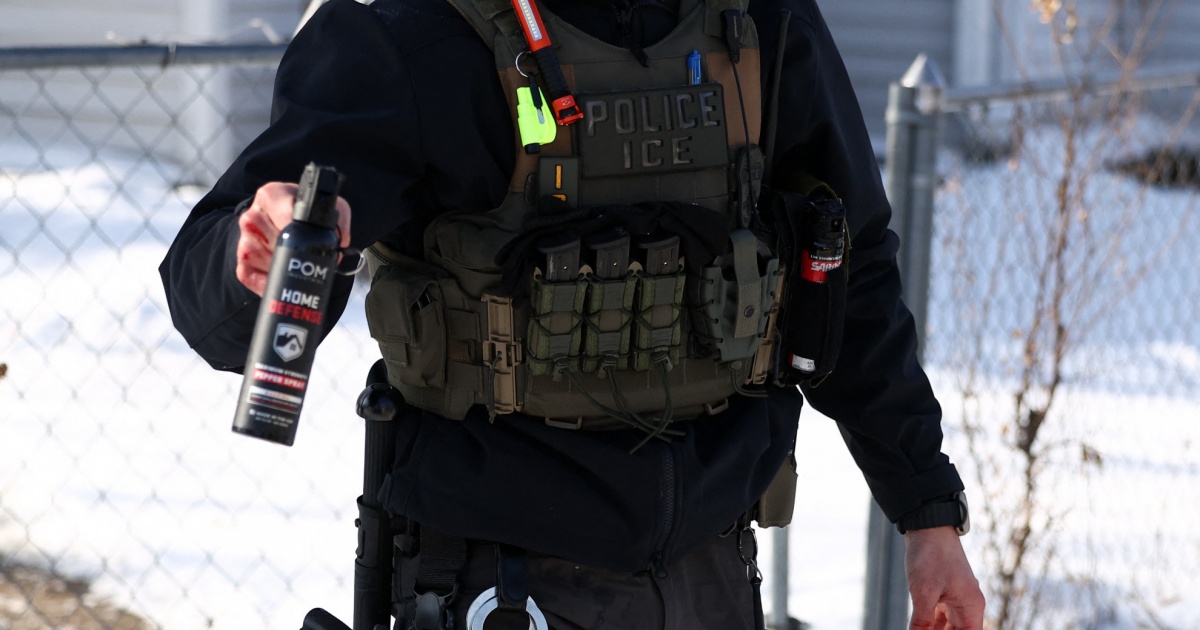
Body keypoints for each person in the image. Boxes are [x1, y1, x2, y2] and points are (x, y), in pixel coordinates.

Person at [160, 0, 986, 628]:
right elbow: (217, 284)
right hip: (497, 581)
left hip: (715, 572)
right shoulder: (414, 30)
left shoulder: (757, 20)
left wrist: (926, 512)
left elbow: (850, 265)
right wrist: (254, 253)